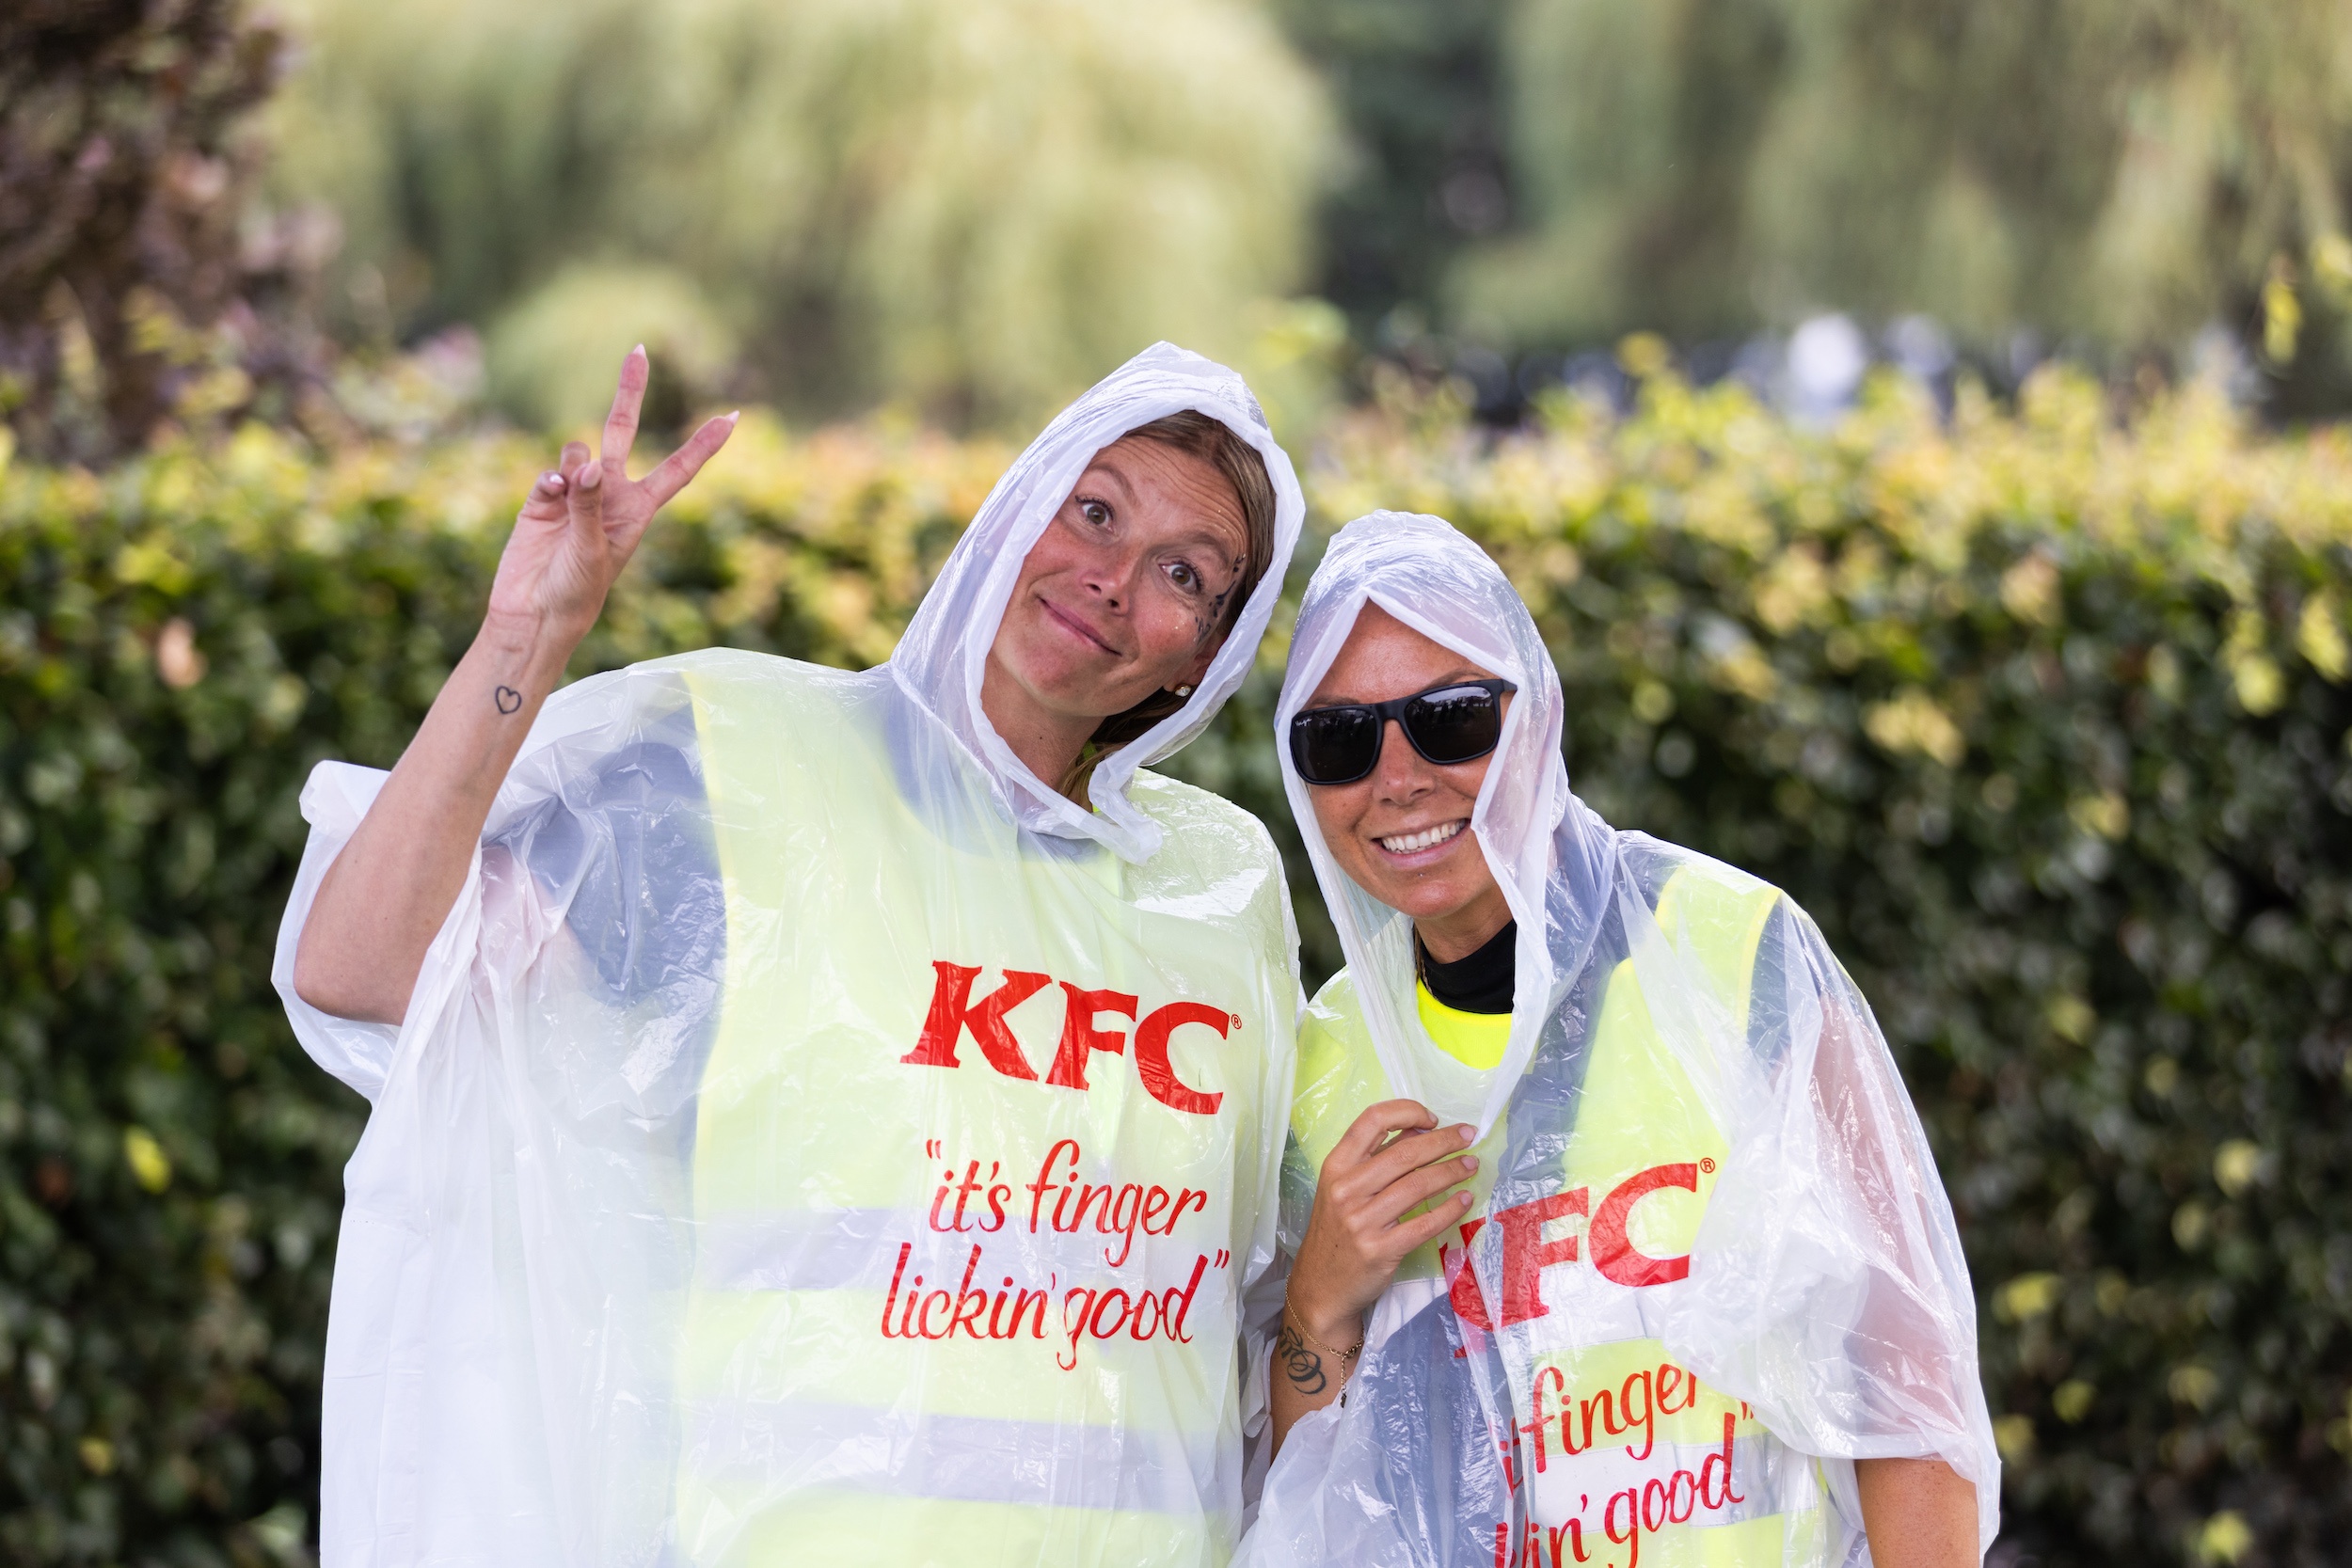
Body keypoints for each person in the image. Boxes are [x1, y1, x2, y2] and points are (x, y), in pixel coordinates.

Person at [274, 342, 1307, 1566]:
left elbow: (1259, 1304)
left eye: (1183, 572)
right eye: (1092, 509)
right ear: (1018, 504)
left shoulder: (1222, 886)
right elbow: (365, 967)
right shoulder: (727, 769)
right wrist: (530, 631)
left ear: (1206, 653)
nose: (1113, 577)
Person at [1241, 511, 1998, 1568]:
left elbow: (1902, 1373)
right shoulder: (1321, 1062)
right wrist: (1319, 1299)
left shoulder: (1733, 955)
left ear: (1538, 714)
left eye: (1453, 716)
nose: (1399, 775)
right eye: (1339, 739)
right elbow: (1310, 1498)